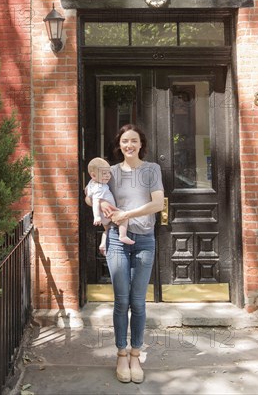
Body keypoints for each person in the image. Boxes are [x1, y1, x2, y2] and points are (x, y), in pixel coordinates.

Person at [85, 124, 164, 384]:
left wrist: (126, 214)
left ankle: (135, 353)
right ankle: (121, 353)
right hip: (117, 242)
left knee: (138, 302)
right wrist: (104, 204)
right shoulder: (112, 171)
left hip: (144, 240)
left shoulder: (152, 169)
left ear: (141, 144)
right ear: (119, 145)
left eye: (134, 141)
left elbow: (157, 204)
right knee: (121, 300)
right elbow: (90, 194)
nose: (129, 145)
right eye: (124, 141)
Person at [85, 157, 135, 254]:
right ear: (94, 175)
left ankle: (103, 244)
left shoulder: (91, 183)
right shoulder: (100, 187)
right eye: (104, 173)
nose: (108, 176)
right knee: (124, 216)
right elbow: (95, 201)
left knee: (107, 230)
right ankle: (123, 235)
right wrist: (97, 217)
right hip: (109, 212)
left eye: (108, 173)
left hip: (104, 215)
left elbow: (88, 193)